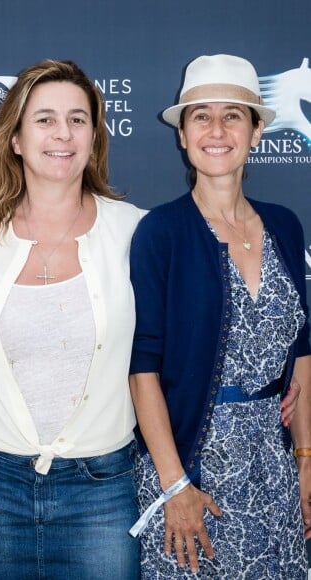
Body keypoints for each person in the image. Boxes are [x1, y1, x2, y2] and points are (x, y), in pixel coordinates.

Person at [0, 59, 144, 579]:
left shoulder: (135, 233)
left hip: (103, 490)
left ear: (95, 136)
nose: (63, 133)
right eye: (45, 119)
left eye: (78, 119)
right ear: (14, 138)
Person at [129, 54, 311, 578]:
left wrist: (304, 455)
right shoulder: (161, 232)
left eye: (233, 115)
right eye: (200, 115)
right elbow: (143, 370)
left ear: (256, 132)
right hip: (191, 471)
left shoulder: (285, 226)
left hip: (273, 470)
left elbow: (300, 349)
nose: (216, 129)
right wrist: (175, 484)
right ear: (182, 135)